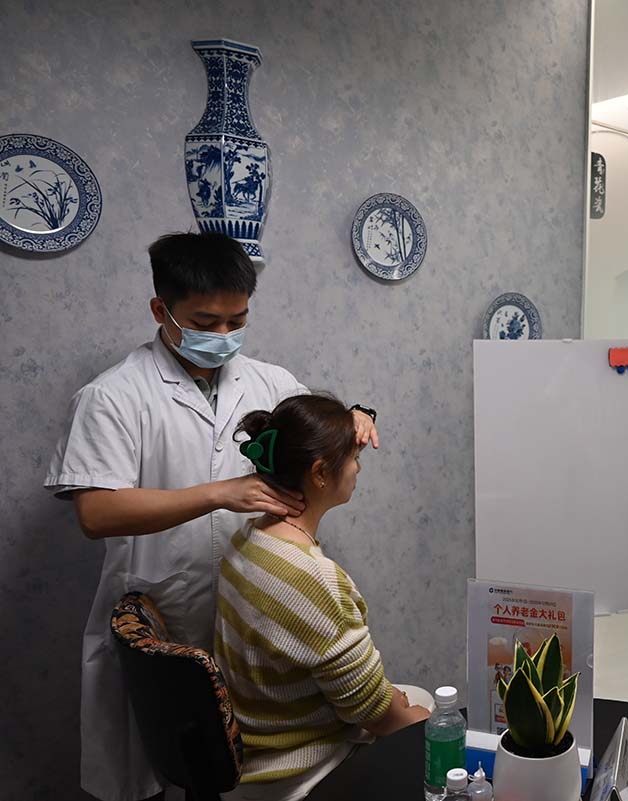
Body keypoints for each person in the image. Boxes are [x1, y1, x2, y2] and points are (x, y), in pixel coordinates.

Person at [44, 232, 380, 801]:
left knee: (233, 776)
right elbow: (97, 513)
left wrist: (358, 414)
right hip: (163, 615)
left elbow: (313, 434)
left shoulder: (269, 382)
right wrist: (219, 493)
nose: (224, 335)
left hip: (248, 623)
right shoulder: (114, 396)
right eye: (206, 322)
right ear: (162, 310)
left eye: (237, 321)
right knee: (154, 774)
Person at [215, 395, 427, 800]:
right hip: (299, 773)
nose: (358, 468)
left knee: (413, 698)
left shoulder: (247, 539)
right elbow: (378, 715)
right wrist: (429, 722)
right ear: (320, 474)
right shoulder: (313, 578)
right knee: (429, 716)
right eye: (353, 459)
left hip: (255, 750)